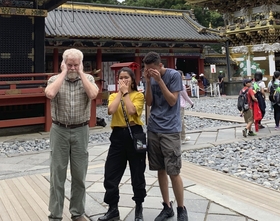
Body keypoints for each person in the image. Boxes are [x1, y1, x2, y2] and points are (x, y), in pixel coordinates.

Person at [45, 48, 99, 221]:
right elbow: (50, 93)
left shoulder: (88, 79)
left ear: (81, 64)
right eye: (70, 64)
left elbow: (93, 94)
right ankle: (55, 214)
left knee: (79, 174)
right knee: (57, 174)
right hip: (59, 129)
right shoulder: (54, 80)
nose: (73, 68)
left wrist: (81, 73)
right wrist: (63, 73)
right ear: (63, 63)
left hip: (81, 130)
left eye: (76, 64)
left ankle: (77, 212)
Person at [143, 52, 188, 221]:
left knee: (173, 170)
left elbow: (172, 101)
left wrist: (159, 80)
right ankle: (166, 206)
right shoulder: (148, 77)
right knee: (160, 169)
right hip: (154, 127)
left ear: (160, 66)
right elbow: (149, 102)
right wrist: (148, 81)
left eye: (152, 69)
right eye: (147, 69)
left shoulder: (173, 75)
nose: (150, 72)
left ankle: (181, 208)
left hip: (170, 129)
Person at [98, 67, 146, 221]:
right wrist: (120, 93)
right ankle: (113, 208)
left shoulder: (138, 95)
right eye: (121, 77)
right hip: (118, 135)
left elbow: (132, 111)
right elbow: (111, 110)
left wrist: (126, 93)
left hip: (136, 133)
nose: (124, 80)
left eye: (127, 77)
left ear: (132, 80)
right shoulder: (113, 96)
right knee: (110, 173)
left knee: (137, 172)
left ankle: (139, 207)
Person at [178, 70, 194, 143]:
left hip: (173, 104)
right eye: (183, 75)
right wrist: (191, 103)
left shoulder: (172, 84)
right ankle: (182, 137)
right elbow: (185, 96)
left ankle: (180, 137)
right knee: (181, 121)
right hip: (180, 105)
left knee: (177, 121)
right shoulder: (181, 85)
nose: (184, 76)